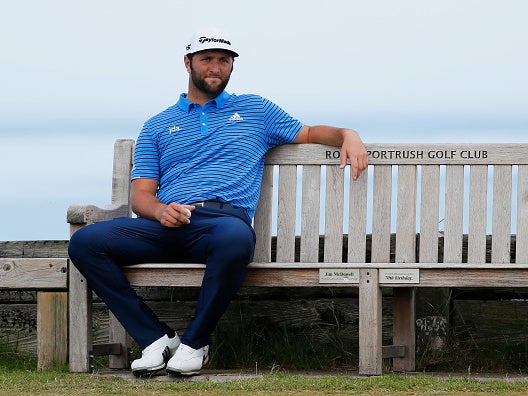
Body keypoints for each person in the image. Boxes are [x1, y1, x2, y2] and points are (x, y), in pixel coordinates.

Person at [68, 27, 368, 377]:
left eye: (223, 61)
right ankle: (155, 338)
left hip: (221, 226)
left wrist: (349, 134)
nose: (215, 67)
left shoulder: (255, 110)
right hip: (166, 226)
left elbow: (311, 133)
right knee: (86, 242)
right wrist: (162, 211)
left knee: (236, 236)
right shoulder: (157, 125)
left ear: (231, 67)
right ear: (188, 63)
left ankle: (195, 343)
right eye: (207, 59)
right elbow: (140, 196)